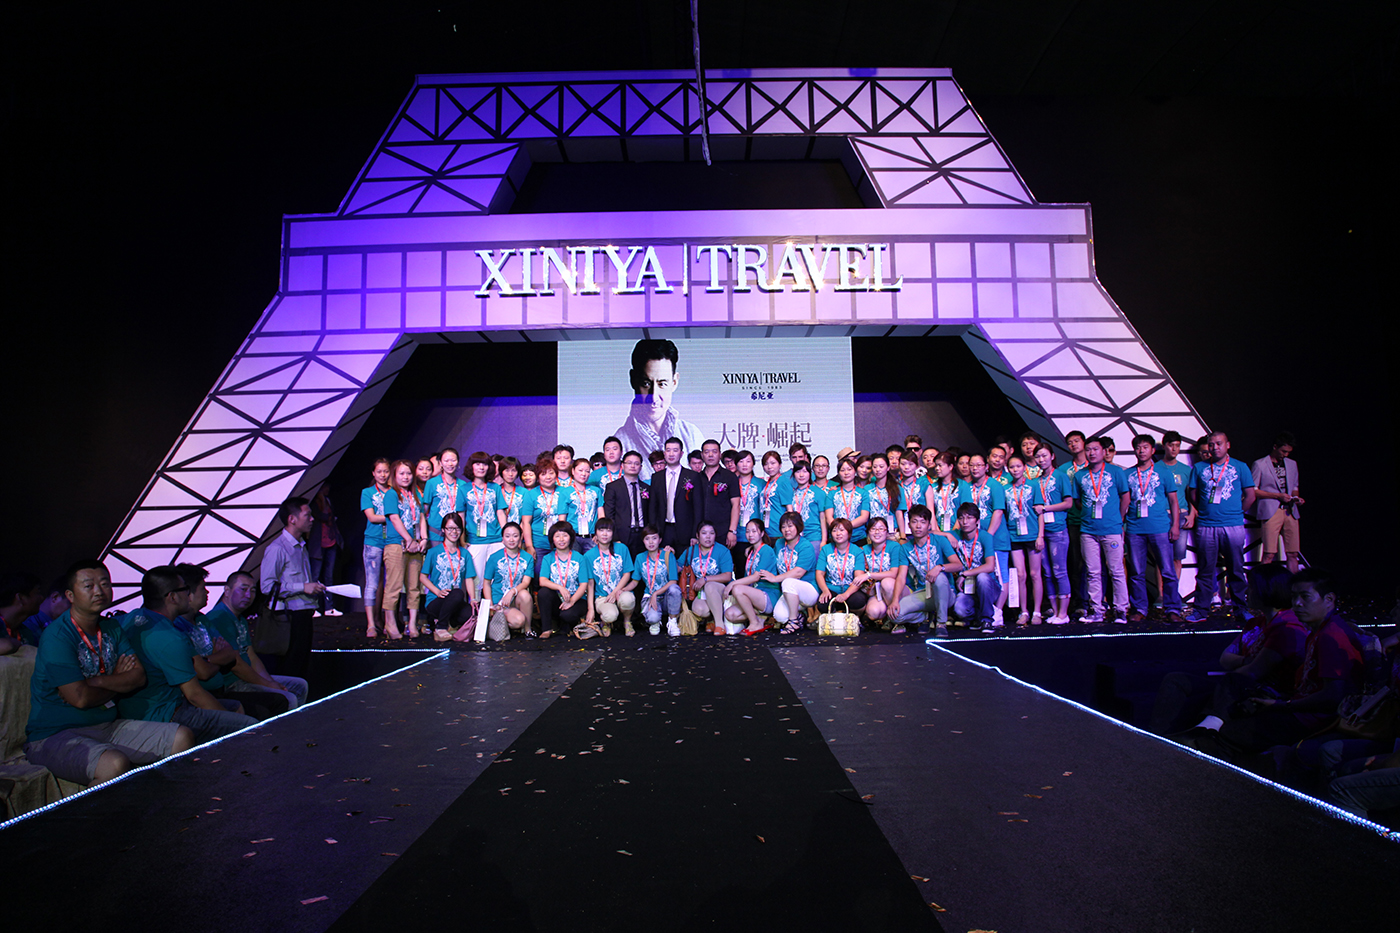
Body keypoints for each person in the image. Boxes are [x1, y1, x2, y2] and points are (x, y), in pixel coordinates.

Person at [23, 560, 194, 787]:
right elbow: (80, 698)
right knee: (114, 764)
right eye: (89, 586)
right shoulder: (58, 636)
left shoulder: (111, 628)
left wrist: (97, 681)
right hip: (56, 733)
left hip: (106, 725)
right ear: (70, 595)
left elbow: (138, 677)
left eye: (104, 584)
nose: (99, 591)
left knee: (182, 737)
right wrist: (116, 681)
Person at [1209, 569, 1371, 759]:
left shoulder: (1331, 636)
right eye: (1294, 596)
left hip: (1315, 719)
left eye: (1305, 597)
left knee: (1230, 733)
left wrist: (1281, 705)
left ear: (1329, 600)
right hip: (1301, 709)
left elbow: (1332, 696)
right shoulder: (1319, 631)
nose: (1297, 603)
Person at [119, 566, 257, 744]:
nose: (189, 594)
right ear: (173, 597)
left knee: (235, 707)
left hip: (138, 707)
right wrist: (234, 724)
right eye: (185, 589)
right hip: (166, 713)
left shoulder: (130, 619)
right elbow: (195, 695)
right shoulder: (171, 637)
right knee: (250, 726)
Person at [171, 563, 287, 720]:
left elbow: (232, 654)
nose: (207, 592)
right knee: (274, 704)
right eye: (203, 588)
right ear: (188, 593)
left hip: (220, 689)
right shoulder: (185, 625)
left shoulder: (203, 619)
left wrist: (211, 659)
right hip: (220, 689)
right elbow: (204, 672)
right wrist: (217, 659)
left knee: (286, 694)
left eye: (252, 590)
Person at [206, 571, 308, 710]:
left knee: (299, 685)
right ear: (227, 591)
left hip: (247, 676)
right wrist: (268, 684)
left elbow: (251, 655)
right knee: (288, 697)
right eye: (243, 589)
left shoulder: (240, 619)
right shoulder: (219, 618)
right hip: (233, 682)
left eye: (252, 591)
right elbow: (236, 664)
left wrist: (270, 681)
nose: (248, 595)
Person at [1186, 431, 1257, 621]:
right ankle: (1201, 610)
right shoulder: (1199, 467)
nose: (1215, 447)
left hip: (1233, 526)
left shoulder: (1240, 467)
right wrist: (1205, 510)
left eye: (1219, 443)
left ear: (1228, 445)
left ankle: (1240, 609)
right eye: (1211, 444)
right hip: (1206, 526)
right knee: (1205, 570)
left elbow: (1250, 495)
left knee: (1236, 569)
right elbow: (1193, 494)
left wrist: (1236, 513)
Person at [613, 339, 704, 477]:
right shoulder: (619, 443)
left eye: (662, 384)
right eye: (646, 384)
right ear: (633, 380)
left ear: (674, 382)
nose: (654, 397)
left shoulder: (692, 435)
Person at [259, 496, 325, 673]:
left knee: (301, 666)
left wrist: (312, 587)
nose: (312, 519)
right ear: (292, 519)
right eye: (307, 515)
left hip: (303, 614)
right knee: (290, 667)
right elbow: (266, 586)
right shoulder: (277, 548)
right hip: (288, 617)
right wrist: (302, 587)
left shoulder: (301, 545)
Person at [1124, 434, 1183, 623]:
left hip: (1160, 527)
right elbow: (1124, 502)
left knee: (1168, 570)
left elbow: (1173, 501)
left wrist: (1175, 525)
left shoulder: (1163, 472)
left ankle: (1172, 608)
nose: (1141, 451)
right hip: (1135, 529)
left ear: (1153, 450)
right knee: (1136, 572)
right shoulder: (1127, 474)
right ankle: (1139, 608)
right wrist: (1123, 526)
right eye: (1138, 447)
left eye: (1145, 447)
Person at [1072, 438, 1130, 624]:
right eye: (1088, 449)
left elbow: (1125, 497)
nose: (1091, 453)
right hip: (1088, 531)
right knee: (1092, 572)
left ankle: (1120, 609)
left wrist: (1118, 518)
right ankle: (1096, 610)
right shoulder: (1080, 475)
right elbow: (1078, 501)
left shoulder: (1116, 472)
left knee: (1116, 571)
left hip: (1112, 529)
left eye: (1095, 449)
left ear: (1104, 451)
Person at [935, 502, 1002, 634]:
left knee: (982, 577)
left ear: (977, 521)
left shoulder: (985, 536)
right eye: (961, 518)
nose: (965, 522)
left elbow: (990, 566)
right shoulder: (956, 534)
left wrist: (965, 573)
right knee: (960, 609)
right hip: (967, 589)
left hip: (988, 587)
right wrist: (947, 535)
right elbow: (930, 533)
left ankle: (987, 620)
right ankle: (978, 616)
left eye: (969, 518)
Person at [380, 460, 427, 639]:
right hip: (397, 544)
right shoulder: (391, 494)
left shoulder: (415, 494)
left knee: (414, 587)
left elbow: (421, 517)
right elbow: (394, 518)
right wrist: (408, 539)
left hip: (415, 545)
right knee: (394, 586)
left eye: (408, 473)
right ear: (394, 475)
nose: (406, 477)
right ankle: (390, 623)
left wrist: (423, 539)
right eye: (401, 473)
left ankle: (412, 624)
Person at [1032, 445, 1074, 624]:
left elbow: (1068, 503)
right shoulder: (1035, 481)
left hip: (1058, 530)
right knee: (1047, 572)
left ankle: (1064, 614)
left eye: (1044, 455)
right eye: (1038, 456)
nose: (1041, 460)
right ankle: (1055, 612)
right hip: (1041, 531)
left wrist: (1045, 508)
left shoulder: (1061, 476)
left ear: (1052, 456)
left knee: (1059, 571)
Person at [420, 513, 479, 641]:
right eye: (450, 528)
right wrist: (437, 591)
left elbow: (468, 578)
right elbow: (423, 577)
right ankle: (440, 627)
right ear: (443, 530)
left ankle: (450, 623)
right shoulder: (433, 552)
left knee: (470, 612)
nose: (454, 532)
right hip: (437, 600)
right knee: (457, 593)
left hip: (456, 601)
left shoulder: (465, 554)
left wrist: (473, 598)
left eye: (457, 528)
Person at [1252, 431, 1303, 574]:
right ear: (1275, 447)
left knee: (1293, 553)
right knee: (1269, 553)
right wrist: (1277, 496)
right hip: (1271, 511)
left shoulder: (1292, 464)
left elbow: (1294, 487)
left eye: (1288, 452)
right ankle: (1263, 583)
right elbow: (1253, 490)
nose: (1285, 455)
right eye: (1283, 451)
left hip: (1290, 511)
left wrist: (1296, 498)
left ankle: (1293, 584)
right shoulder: (1260, 464)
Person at [967, 452, 1009, 626]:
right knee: (982, 577)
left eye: (979, 465)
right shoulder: (967, 487)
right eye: (972, 465)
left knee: (1000, 575)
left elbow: (998, 512)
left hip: (995, 538)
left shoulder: (994, 485)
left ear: (986, 467)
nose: (975, 468)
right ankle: (985, 611)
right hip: (974, 541)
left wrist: (988, 537)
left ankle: (998, 610)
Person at [893, 505, 948, 637]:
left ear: (929, 525)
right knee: (895, 615)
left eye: (923, 522)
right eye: (914, 522)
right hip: (923, 593)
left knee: (939, 578)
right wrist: (894, 600)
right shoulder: (905, 548)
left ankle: (941, 623)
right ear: (909, 525)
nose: (918, 526)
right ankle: (925, 617)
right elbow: (901, 576)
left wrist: (939, 567)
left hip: (944, 592)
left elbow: (958, 565)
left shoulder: (940, 540)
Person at [1004, 454, 1044, 625]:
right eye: (1012, 467)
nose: (1015, 470)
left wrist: (1040, 535)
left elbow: (1040, 512)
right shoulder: (1006, 489)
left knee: (1035, 574)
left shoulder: (1033, 485)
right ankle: (1024, 611)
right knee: (1020, 574)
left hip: (1033, 534)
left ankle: (1037, 611)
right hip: (1014, 535)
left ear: (1024, 468)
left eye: (1018, 466)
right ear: (1008, 469)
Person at [765, 512, 819, 634]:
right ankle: (800, 617)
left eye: (790, 526)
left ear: (798, 527)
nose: (786, 530)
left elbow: (798, 572)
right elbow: (772, 558)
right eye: (783, 527)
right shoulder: (779, 544)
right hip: (789, 591)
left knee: (788, 581)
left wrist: (775, 578)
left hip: (808, 590)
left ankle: (793, 621)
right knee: (779, 616)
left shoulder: (806, 546)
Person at [647, 436, 702, 555]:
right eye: (668, 450)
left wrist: (695, 534)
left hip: (685, 531)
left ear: (681, 454)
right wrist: (653, 532)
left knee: (685, 564)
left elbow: (697, 507)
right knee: (663, 563)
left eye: (675, 450)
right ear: (664, 453)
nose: (671, 454)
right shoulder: (656, 477)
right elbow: (653, 507)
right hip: (663, 530)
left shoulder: (692, 476)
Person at [723, 518, 779, 635]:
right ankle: (762, 618)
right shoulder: (750, 552)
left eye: (754, 531)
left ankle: (754, 623)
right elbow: (747, 578)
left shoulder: (766, 550)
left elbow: (755, 577)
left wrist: (733, 583)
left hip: (767, 595)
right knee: (730, 614)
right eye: (747, 531)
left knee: (737, 589)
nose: (750, 534)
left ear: (762, 533)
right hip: (753, 595)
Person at [537, 521, 592, 639]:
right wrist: (560, 587)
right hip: (558, 598)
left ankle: (568, 625)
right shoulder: (548, 558)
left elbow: (583, 585)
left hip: (577, 599)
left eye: (565, 535)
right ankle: (546, 629)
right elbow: (542, 581)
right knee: (543, 593)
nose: (561, 539)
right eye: (557, 536)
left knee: (568, 615)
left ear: (571, 538)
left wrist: (571, 601)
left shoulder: (579, 558)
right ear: (552, 539)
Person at [480, 522, 535, 640]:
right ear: (502, 538)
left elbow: (526, 582)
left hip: (516, 598)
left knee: (525, 594)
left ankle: (528, 630)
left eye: (515, 536)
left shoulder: (527, 558)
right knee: (518, 621)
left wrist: (512, 591)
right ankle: (500, 623)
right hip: (499, 602)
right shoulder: (494, 557)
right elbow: (486, 583)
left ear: (521, 537)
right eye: (507, 536)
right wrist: (491, 605)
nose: (511, 539)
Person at [680, 521, 736, 634]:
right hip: (702, 593)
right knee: (699, 610)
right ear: (697, 535)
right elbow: (678, 567)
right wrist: (667, 554)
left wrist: (705, 579)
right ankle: (711, 619)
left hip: (721, 590)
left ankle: (719, 625)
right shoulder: (691, 550)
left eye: (711, 533)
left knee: (709, 586)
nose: (708, 536)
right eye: (704, 533)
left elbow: (727, 576)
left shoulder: (722, 551)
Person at [586, 518, 636, 637]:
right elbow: (590, 584)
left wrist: (614, 592)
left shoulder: (622, 548)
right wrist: (590, 609)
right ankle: (606, 622)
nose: (604, 534)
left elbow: (627, 574)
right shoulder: (589, 555)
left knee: (628, 600)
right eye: (601, 530)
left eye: (608, 530)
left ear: (613, 533)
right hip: (602, 596)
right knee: (610, 615)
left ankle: (627, 622)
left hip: (620, 591)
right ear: (595, 533)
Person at [360, 458, 392, 638]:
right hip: (373, 541)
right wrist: (394, 517)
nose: (383, 475)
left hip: (392, 541)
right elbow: (371, 517)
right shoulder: (368, 492)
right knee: (372, 583)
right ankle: (371, 624)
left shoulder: (394, 492)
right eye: (379, 471)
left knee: (391, 584)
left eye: (386, 471)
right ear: (373, 473)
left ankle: (388, 622)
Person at [1159, 431, 1195, 594]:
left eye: (1177, 446)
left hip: (1181, 516)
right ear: (1164, 446)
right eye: (1171, 445)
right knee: (1161, 558)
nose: (1174, 449)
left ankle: (1173, 593)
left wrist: (1192, 513)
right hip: (1161, 515)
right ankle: (1161, 595)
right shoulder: (1156, 468)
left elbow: (1191, 494)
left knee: (1177, 557)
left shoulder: (1186, 469)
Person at [858, 516, 908, 631]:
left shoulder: (894, 546)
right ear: (868, 533)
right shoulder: (863, 550)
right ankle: (888, 618)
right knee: (873, 612)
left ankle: (899, 621)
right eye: (873, 529)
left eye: (881, 529)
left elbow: (893, 573)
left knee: (887, 582)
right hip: (877, 591)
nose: (877, 532)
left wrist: (870, 575)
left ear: (887, 532)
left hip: (896, 588)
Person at [522, 458, 570, 576]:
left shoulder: (565, 492)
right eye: (543, 474)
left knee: (561, 576)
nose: (548, 477)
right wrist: (529, 546)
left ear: (556, 475)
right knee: (539, 576)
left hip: (561, 543)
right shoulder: (530, 495)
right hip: (539, 544)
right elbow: (526, 522)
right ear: (538, 477)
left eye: (551, 473)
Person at [816, 518, 868, 618]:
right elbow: (819, 573)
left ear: (849, 533)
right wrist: (825, 590)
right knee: (823, 603)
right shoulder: (826, 549)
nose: (838, 533)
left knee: (858, 601)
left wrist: (846, 594)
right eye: (834, 531)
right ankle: (834, 619)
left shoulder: (857, 551)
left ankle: (854, 619)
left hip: (850, 590)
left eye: (841, 530)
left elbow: (858, 578)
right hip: (831, 589)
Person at [635, 526, 682, 636]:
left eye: (654, 538)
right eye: (647, 539)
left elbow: (673, 581)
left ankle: (672, 621)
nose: (651, 542)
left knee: (674, 589)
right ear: (643, 541)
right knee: (653, 618)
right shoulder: (640, 557)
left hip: (667, 597)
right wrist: (622, 590)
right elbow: (634, 581)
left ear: (660, 540)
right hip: (650, 597)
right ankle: (655, 622)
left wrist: (656, 593)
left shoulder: (667, 554)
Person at [696, 439, 741, 549]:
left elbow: (736, 505)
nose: (710, 455)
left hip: (723, 532)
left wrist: (732, 531)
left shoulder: (729, 476)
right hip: (701, 533)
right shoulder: (697, 478)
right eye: (707, 452)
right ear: (702, 455)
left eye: (714, 452)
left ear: (720, 454)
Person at [604, 450, 650, 557]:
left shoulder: (647, 488)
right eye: (629, 463)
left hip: (643, 535)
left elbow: (650, 512)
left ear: (641, 467)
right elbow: (609, 514)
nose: (633, 466)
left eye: (636, 463)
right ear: (622, 465)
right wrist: (615, 537)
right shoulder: (613, 487)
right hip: (622, 535)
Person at [308, 482, 343, 617]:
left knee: (329, 577)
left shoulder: (328, 501)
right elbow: (322, 516)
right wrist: (321, 499)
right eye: (324, 487)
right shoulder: (314, 504)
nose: (327, 489)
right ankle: (313, 607)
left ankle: (329, 607)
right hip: (318, 544)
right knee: (315, 577)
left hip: (330, 542)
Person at [782, 460, 828, 548]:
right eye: (798, 472)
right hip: (795, 538)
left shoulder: (819, 492)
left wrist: (824, 540)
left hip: (814, 537)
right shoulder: (791, 494)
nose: (801, 475)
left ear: (810, 473)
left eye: (805, 471)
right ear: (793, 474)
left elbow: (823, 518)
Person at [825, 457, 870, 546]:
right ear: (838, 473)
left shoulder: (863, 493)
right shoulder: (832, 493)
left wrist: (845, 527)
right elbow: (829, 517)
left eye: (849, 469)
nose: (846, 473)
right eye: (842, 470)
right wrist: (839, 530)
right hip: (836, 538)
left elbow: (864, 517)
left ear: (855, 471)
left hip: (858, 537)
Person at [18, 575, 68, 647]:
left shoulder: (65, 626)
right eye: (71, 603)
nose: (77, 609)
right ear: (55, 597)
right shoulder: (27, 623)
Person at [0, 572, 41, 653]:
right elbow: (7, 646)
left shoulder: (29, 632)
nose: (42, 598)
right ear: (20, 598)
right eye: (37, 593)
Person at [895, 448, 930, 539]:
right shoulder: (896, 486)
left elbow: (931, 511)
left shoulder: (924, 484)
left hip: (921, 527)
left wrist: (933, 530)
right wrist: (902, 534)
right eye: (903, 464)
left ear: (916, 465)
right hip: (903, 530)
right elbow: (898, 511)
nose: (906, 467)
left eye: (910, 464)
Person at [864, 453, 900, 537]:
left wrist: (902, 534)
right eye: (875, 467)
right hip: (873, 530)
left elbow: (899, 512)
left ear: (888, 468)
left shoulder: (896, 488)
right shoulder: (866, 489)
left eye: (881, 466)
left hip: (892, 530)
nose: (877, 469)